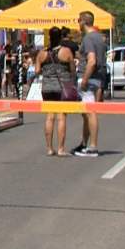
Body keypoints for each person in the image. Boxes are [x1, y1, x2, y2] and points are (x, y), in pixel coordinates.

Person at [35, 26, 76, 156]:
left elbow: (36, 71)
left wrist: (46, 70)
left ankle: (49, 148)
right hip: (62, 86)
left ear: (49, 37)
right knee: (61, 117)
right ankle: (60, 148)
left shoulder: (42, 53)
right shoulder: (66, 51)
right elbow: (72, 69)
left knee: (49, 116)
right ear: (60, 38)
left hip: (47, 87)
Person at [72, 11, 108, 157]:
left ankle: (92, 146)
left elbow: (92, 61)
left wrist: (85, 79)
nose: (78, 24)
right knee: (87, 113)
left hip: (89, 78)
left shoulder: (88, 38)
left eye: (78, 20)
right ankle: (84, 144)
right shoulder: (99, 38)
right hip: (98, 78)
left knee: (90, 113)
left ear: (83, 22)